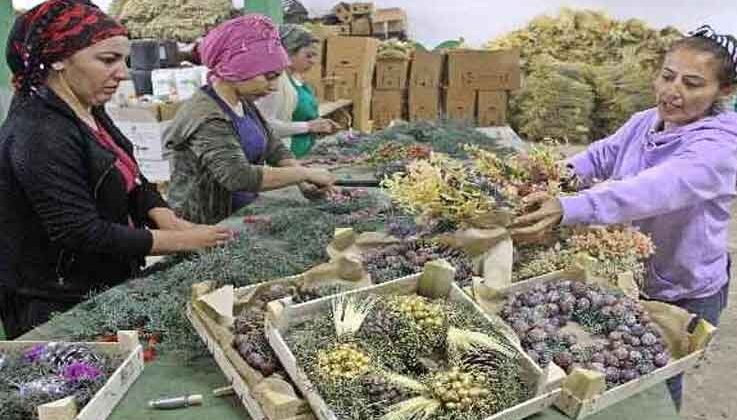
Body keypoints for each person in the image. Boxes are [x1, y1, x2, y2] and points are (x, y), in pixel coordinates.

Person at [510, 25, 737, 410]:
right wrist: (557, 174)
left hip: (683, 287)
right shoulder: (644, 121)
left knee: (659, 382)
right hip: (629, 272)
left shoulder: (720, 147)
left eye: (692, 83)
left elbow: (652, 188)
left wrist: (570, 207)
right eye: (667, 76)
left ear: (725, 92)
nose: (673, 91)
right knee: (616, 368)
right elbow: (598, 156)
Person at [0, 0, 233, 340]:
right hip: (56, 303)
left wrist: (162, 214)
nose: (123, 73)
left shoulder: (88, 108)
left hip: (100, 282)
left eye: (124, 60)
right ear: (58, 59)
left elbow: (131, 176)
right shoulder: (39, 133)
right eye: (107, 60)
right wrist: (182, 241)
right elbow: (81, 232)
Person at [164, 15, 335, 225]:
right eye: (268, 77)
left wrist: (303, 179)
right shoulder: (206, 115)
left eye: (277, 77)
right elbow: (238, 176)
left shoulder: (242, 101)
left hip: (239, 215)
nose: (273, 87)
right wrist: (302, 173)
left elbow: (273, 145)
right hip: (203, 225)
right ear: (238, 69)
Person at [256, 24, 338, 158]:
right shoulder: (275, 82)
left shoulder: (296, 79)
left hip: (303, 154)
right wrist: (308, 126)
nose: (313, 61)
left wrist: (320, 124)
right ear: (287, 52)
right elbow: (265, 126)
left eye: (315, 56)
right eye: (308, 55)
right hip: (284, 157)